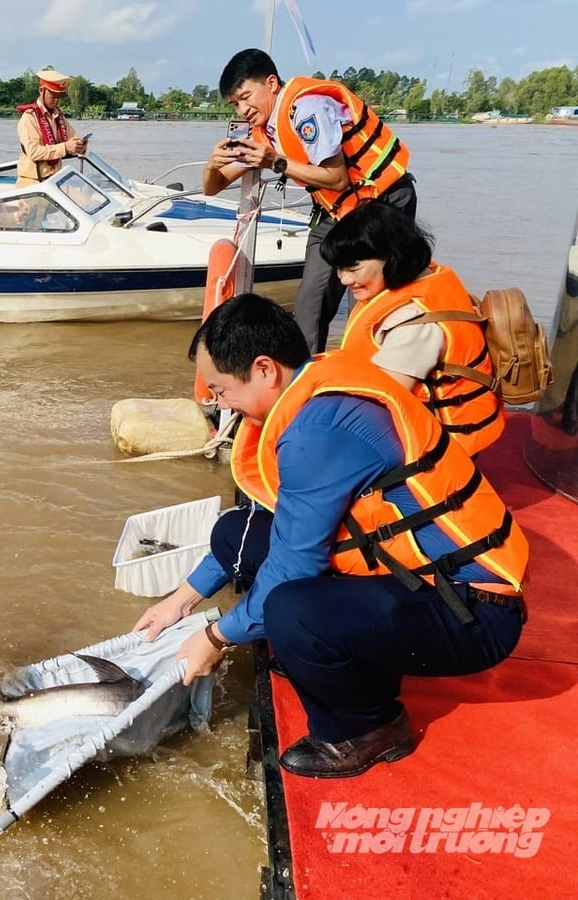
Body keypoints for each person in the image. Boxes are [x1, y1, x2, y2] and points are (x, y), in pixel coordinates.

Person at [133, 293, 527, 778]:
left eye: (221, 390)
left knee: (291, 612)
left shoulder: (319, 430)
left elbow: (293, 568)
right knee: (236, 531)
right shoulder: (312, 383)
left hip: (474, 611)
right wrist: (180, 601)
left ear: (264, 369)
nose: (219, 403)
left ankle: (370, 726)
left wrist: (215, 638)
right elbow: (261, 526)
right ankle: (340, 654)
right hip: (413, 581)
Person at [202, 48, 417, 353]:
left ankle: (367, 370)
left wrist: (275, 162)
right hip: (338, 210)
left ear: (271, 83)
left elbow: (337, 178)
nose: (242, 109)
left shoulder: (306, 109)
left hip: (382, 202)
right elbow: (212, 187)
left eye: (246, 97)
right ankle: (305, 374)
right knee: (309, 305)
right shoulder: (264, 132)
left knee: (368, 303)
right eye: (235, 104)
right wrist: (212, 164)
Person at [320, 201, 504, 456]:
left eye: (353, 268)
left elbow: (380, 402)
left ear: (392, 257)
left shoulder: (414, 324)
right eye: (339, 269)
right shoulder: (429, 277)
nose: (344, 279)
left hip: (443, 448)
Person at [15, 68, 87, 187]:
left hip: (54, 182)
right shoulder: (29, 117)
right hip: (32, 183)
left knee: (84, 196)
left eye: (60, 95)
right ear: (41, 90)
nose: (57, 99)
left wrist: (80, 146)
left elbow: (72, 140)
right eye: (53, 94)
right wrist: (65, 147)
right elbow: (34, 152)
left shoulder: (59, 117)